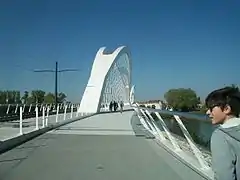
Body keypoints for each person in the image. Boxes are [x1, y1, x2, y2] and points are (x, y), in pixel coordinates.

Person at [205, 86, 240, 180]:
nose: (208, 112)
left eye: (211, 108)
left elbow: (224, 175)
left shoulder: (220, 136)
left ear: (226, 109)